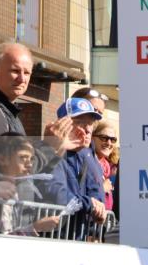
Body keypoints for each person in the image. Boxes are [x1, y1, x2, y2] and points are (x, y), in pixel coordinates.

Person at [46, 98, 107, 238]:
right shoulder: (50, 152)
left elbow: (97, 198)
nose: (88, 129)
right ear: (62, 124)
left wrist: (98, 212)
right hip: (52, 240)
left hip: (78, 240)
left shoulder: (88, 157)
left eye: (90, 123)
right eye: (80, 122)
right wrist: (89, 204)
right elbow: (58, 195)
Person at [91, 121, 119, 214]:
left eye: (113, 139)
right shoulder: (85, 161)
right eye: (104, 138)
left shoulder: (106, 165)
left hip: (104, 219)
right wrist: (102, 188)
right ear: (92, 137)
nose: (109, 143)